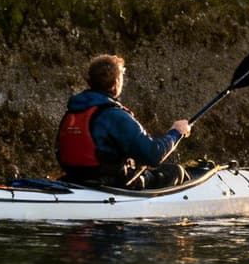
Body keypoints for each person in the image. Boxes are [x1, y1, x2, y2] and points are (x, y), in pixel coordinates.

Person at [57, 54, 192, 189]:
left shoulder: (73, 112)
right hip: (110, 185)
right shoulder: (114, 116)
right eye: (121, 77)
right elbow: (153, 155)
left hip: (74, 180)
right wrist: (176, 132)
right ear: (116, 82)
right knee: (176, 171)